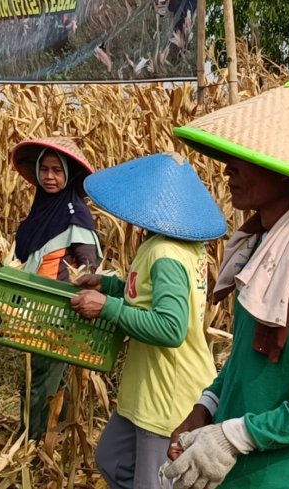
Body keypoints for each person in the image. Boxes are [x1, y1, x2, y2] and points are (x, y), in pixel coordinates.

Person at [162, 80, 289, 489]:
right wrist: (207, 406)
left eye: (243, 159)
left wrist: (237, 435)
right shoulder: (263, 245)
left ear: (286, 171)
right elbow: (247, 359)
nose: (228, 170)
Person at [70, 152, 227, 489]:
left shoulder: (167, 253)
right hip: (143, 392)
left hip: (167, 394)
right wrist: (106, 285)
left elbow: (171, 328)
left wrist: (107, 307)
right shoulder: (172, 245)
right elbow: (146, 293)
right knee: (112, 461)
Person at [11, 137, 102, 442]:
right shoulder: (40, 211)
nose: (49, 177)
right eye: (45, 170)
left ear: (69, 175)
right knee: (39, 373)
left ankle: (37, 439)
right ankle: (42, 437)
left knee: (46, 376)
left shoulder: (75, 213)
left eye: (57, 171)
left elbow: (89, 268)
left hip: (59, 310)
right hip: (33, 308)